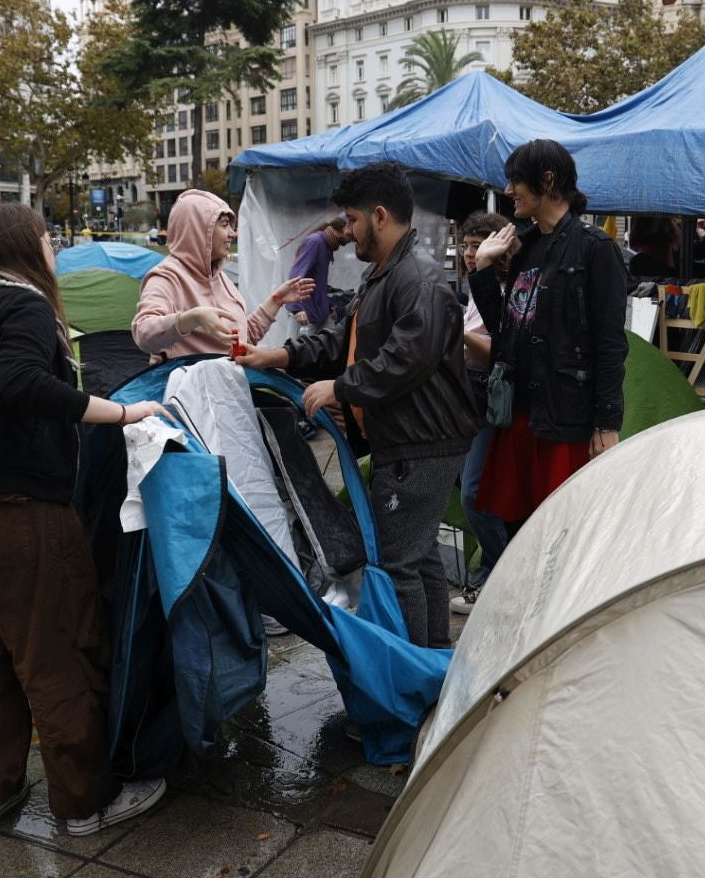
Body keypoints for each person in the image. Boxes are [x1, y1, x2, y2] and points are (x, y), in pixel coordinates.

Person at [0, 202, 171, 838]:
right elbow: (24, 385)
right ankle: (85, 803)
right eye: (47, 239)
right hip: (16, 511)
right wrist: (119, 414)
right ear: (27, 247)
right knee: (57, 649)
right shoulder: (27, 306)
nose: (53, 249)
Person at [238, 163, 478, 648]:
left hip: (423, 443)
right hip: (408, 439)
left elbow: (405, 359)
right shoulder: (382, 275)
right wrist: (280, 355)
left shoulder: (420, 280)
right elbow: (339, 338)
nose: (346, 233)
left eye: (352, 219)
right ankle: (433, 663)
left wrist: (340, 388)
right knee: (420, 557)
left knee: (400, 563)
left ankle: (412, 679)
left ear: (381, 216)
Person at [471, 140, 627, 531]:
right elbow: (505, 331)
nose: (508, 192)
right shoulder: (528, 249)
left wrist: (607, 424)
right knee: (522, 532)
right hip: (522, 417)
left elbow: (610, 343)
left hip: (566, 419)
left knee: (563, 531)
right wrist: (482, 269)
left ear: (547, 179)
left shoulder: (595, 248)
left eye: (514, 181)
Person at [131, 190, 314, 363]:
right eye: (224, 225)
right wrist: (192, 318)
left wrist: (276, 301)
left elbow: (241, 338)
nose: (232, 234)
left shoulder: (218, 277)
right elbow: (144, 333)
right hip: (186, 391)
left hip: (226, 388)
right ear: (198, 229)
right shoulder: (166, 277)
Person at [450, 210, 514, 615]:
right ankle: (494, 571)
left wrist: (459, 334)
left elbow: (503, 353)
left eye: (477, 246)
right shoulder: (476, 286)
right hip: (468, 393)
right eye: (467, 245)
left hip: (493, 396)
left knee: (475, 493)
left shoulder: (507, 288)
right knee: (472, 487)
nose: (469, 253)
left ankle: (505, 573)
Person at [285, 216, 348, 335]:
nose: (351, 234)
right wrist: (297, 309)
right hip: (305, 316)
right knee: (296, 352)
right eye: (349, 227)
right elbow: (296, 275)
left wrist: (327, 305)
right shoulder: (315, 242)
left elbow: (318, 281)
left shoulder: (326, 245)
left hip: (320, 314)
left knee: (330, 347)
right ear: (341, 228)